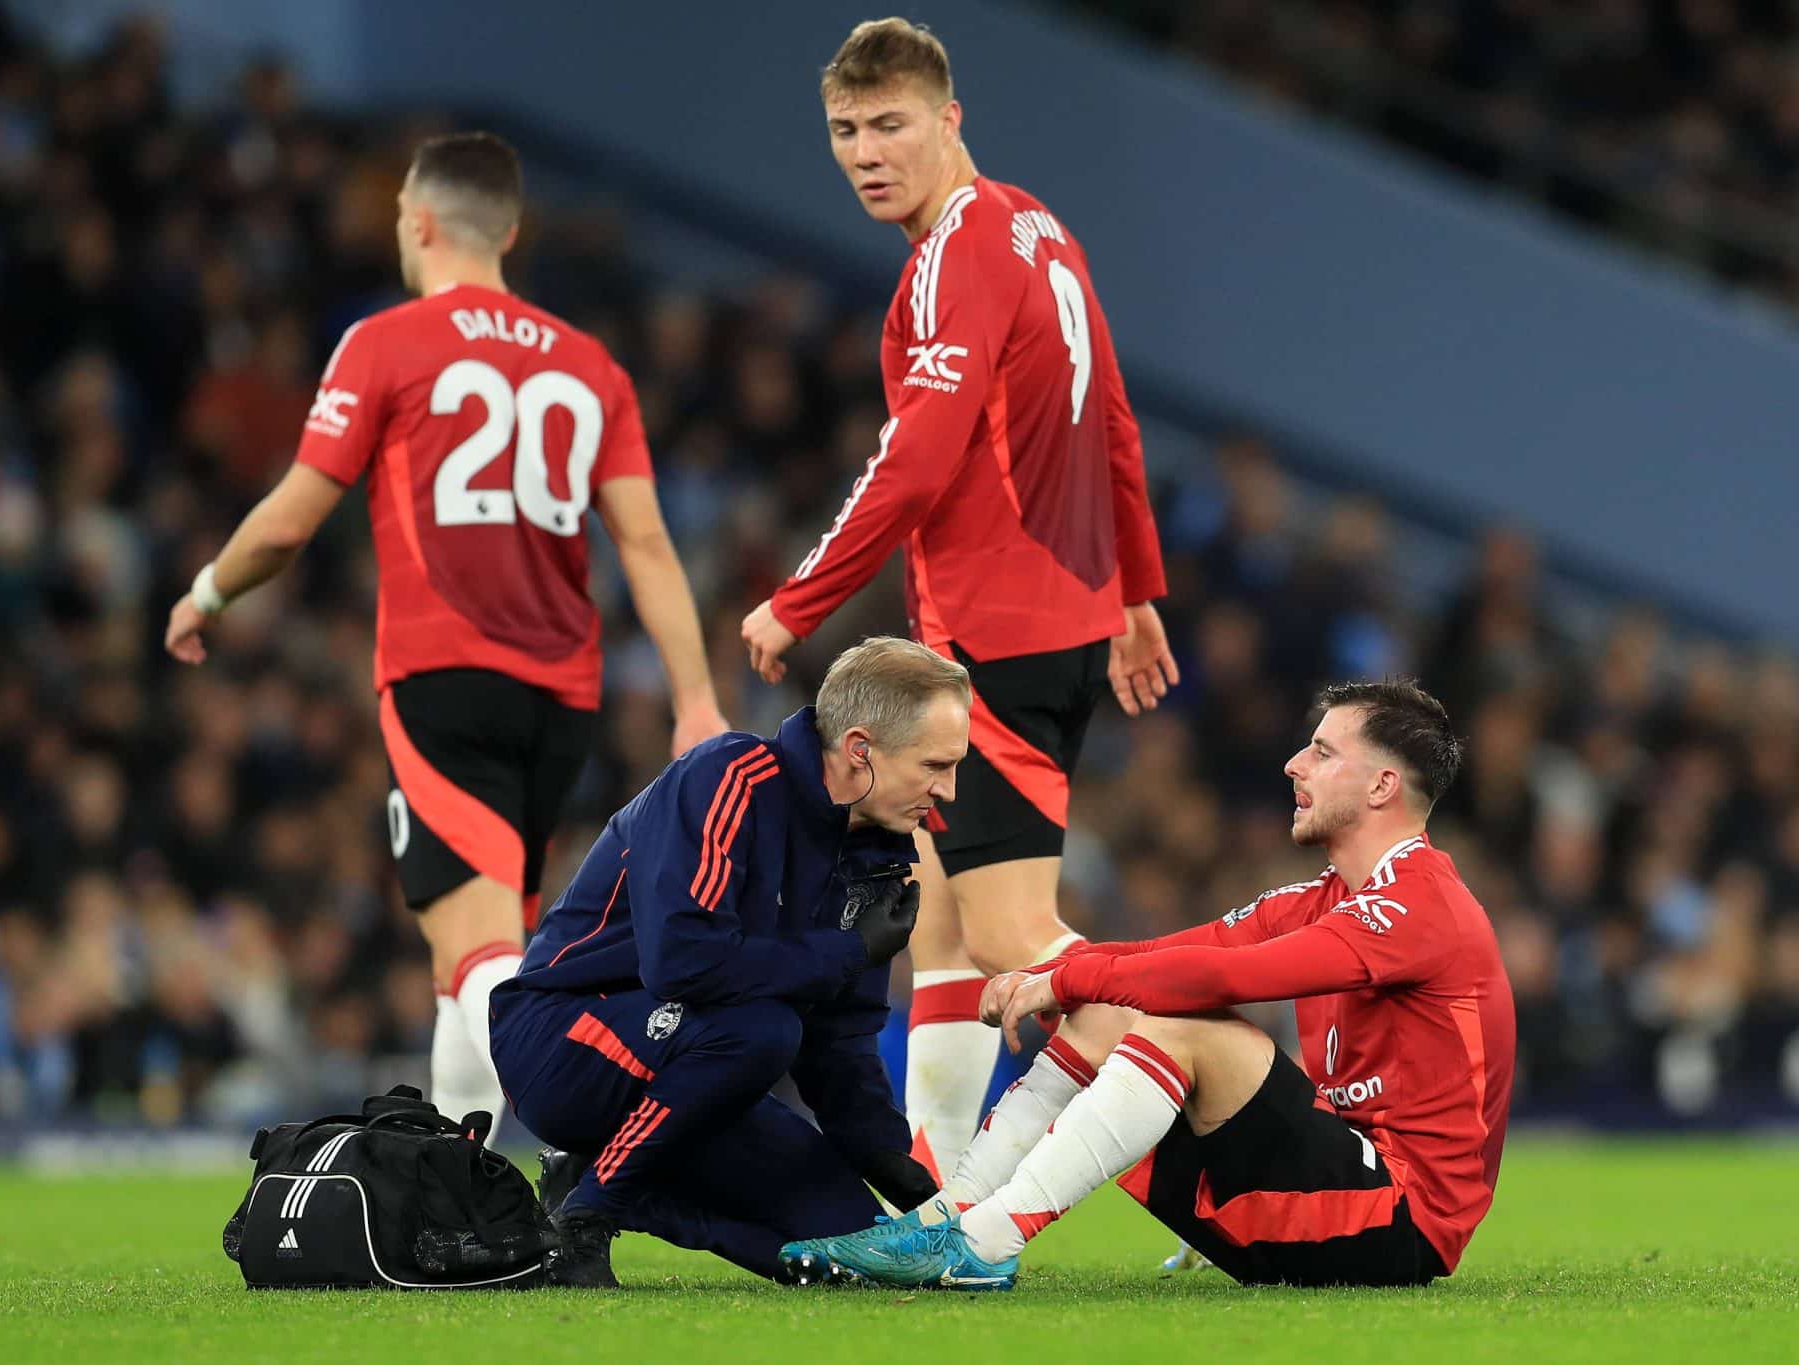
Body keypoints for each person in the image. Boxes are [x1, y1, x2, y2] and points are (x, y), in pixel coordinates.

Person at [164, 132, 726, 1136]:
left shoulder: (385, 343)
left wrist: (205, 593)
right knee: (468, 952)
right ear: (507, 231)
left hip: (444, 676)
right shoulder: (590, 366)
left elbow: (290, 522)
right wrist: (694, 700)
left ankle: (615, 1104)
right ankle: (459, 1182)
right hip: (561, 696)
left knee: (477, 956)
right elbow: (643, 543)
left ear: (416, 223)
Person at [739, 17, 1179, 1183]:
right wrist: (1134, 591)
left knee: (1013, 943)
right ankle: (932, 1185)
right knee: (934, 930)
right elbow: (1116, 422)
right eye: (843, 131)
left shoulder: (954, 256)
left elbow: (918, 457)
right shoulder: (1038, 226)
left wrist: (799, 599)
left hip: (1000, 632)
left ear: (949, 120)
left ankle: (1237, 1124)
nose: (864, 153)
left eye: (889, 125)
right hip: (1061, 616)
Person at [781, 680, 1515, 1291]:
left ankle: (986, 1242)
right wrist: (1064, 980)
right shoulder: (1323, 898)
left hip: (1399, 1224)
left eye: (1322, 752)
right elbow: (1183, 949)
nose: (1294, 763)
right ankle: (946, 1218)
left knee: (1181, 1021)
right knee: (1117, 999)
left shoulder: (1420, 904)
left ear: (1384, 784)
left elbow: (1230, 975)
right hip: (1328, 1192)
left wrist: (1064, 974)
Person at [488, 637, 969, 1286]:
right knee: (764, 1030)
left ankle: (596, 1180)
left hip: (701, 1069)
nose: (949, 789)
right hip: (561, 1034)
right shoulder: (728, 778)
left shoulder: (875, 857)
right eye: (936, 764)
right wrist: (849, 948)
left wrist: (900, 1172)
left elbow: (841, 1042)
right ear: (861, 750)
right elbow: (684, 962)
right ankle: (588, 1219)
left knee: (849, 1248)